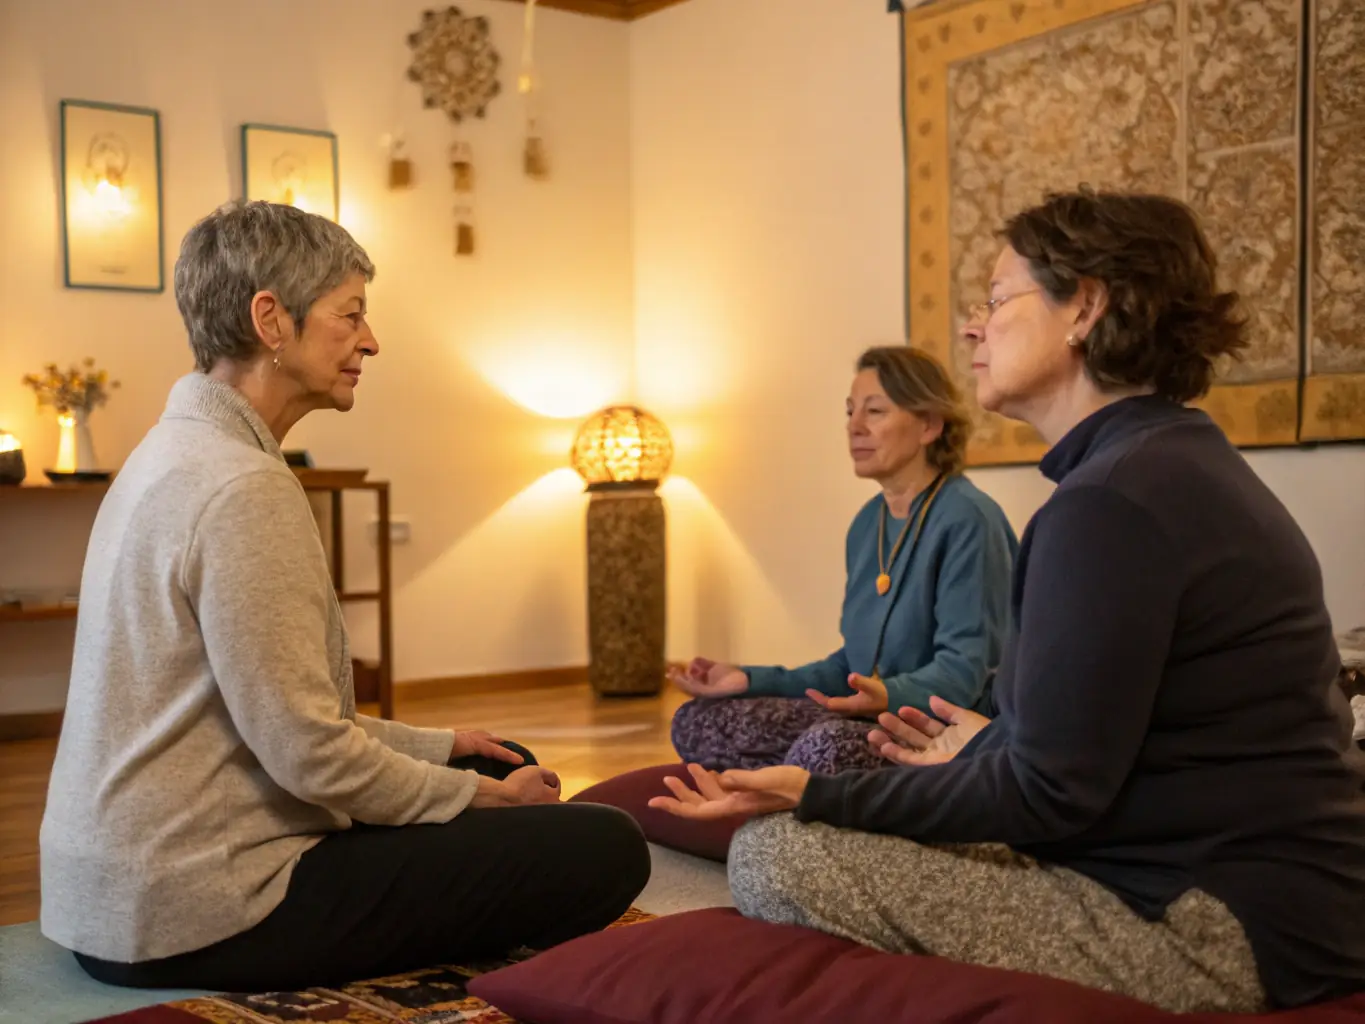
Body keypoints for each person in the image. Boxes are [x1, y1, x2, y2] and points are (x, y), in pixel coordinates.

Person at [651, 188, 1365, 1013]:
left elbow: (1048, 797)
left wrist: (810, 794)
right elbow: (1112, 752)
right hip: (1265, 894)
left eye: (995, 300)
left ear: (1084, 308)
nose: (972, 329)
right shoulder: (1159, 466)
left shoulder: (1110, 502)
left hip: (1216, 924)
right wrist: (991, 747)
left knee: (775, 854)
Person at [40, 200, 650, 993]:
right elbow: (309, 754)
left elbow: (272, 717)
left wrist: (445, 750)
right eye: (351, 313)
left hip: (115, 894)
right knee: (605, 845)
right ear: (270, 319)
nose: (371, 340)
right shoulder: (241, 487)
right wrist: (477, 799)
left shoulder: (170, 452)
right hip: (194, 906)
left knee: (504, 763)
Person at [668, 347, 1017, 774]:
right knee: (697, 722)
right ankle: (800, 785)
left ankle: (798, 785)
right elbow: (850, 667)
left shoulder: (969, 519)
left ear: (929, 425)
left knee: (825, 748)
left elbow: (963, 675)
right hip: (870, 716)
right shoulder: (868, 523)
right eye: (851, 412)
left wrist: (886, 696)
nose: (854, 426)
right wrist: (750, 680)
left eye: (875, 411)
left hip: (938, 731)